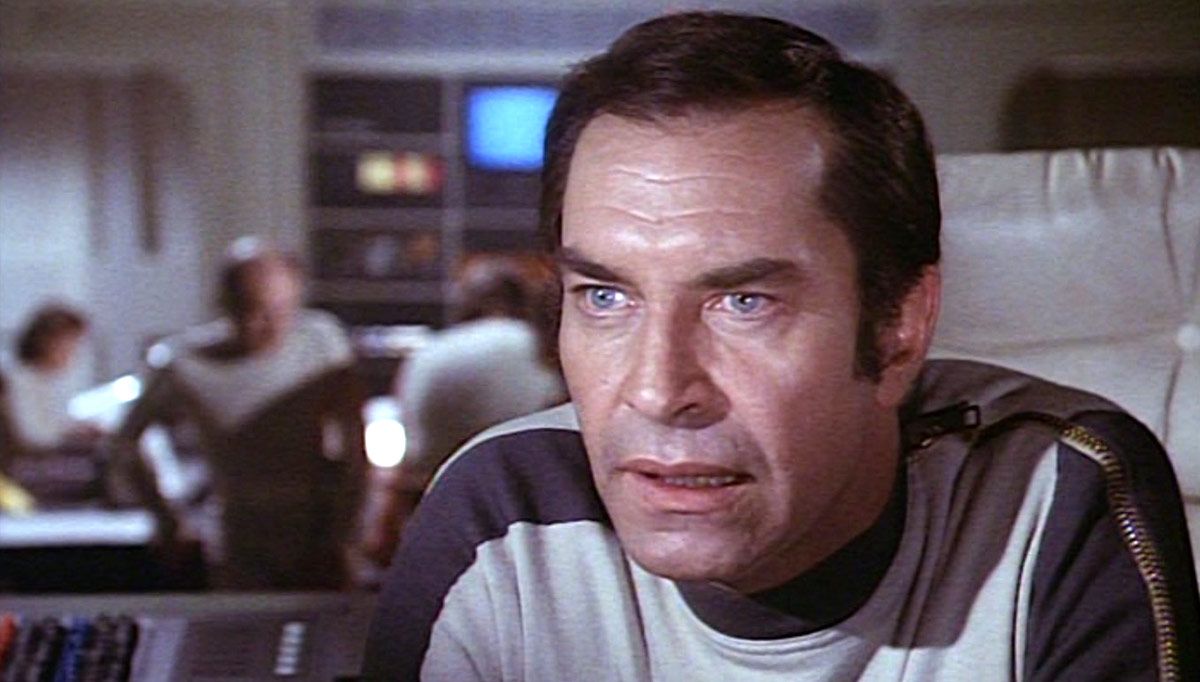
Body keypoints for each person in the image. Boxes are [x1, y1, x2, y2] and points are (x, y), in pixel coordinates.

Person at [363, 12, 1200, 681]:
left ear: (898, 328)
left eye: (743, 303)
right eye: (607, 297)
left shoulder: (1054, 493)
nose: (657, 390)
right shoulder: (500, 518)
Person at [110, 238, 367, 590]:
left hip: (318, 530)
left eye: (283, 310)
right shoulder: (182, 363)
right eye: (254, 310)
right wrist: (165, 516)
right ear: (225, 305)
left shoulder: (321, 342)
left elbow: (355, 446)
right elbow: (124, 444)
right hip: (238, 538)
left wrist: (345, 534)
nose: (271, 326)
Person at [365, 254, 565, 566]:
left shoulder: (430, 352)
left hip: (436, 502)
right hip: (525, 507)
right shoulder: (545, 351)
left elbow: (411, 454)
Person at [0, 304, 100, 458]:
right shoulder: (21, 381)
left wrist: (76, 428)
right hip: (33, 462)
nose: (73, 354)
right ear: (46, 343)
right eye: (68, 345)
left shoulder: (45, 382)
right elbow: (33, 436)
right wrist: (71, 433)